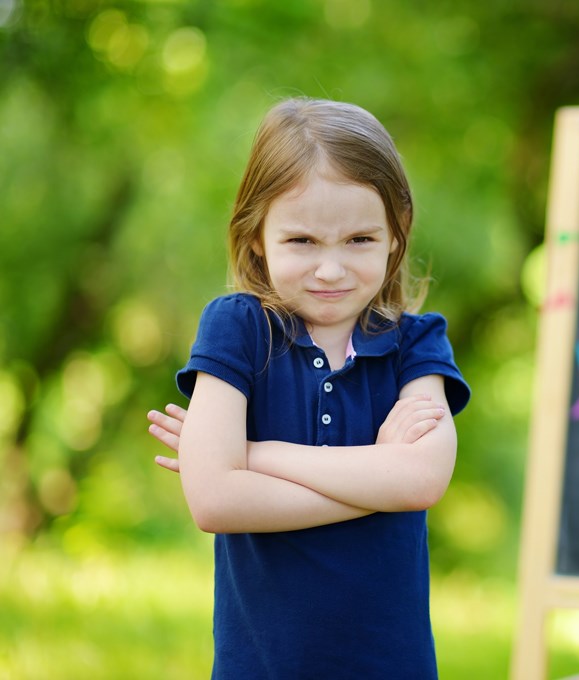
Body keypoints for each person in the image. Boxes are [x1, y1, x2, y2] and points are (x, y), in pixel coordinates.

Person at [145, 97, 470, 679]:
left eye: (359, 241)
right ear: (255, 238)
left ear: (395, 235)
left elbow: (421, 479)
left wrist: (253, 456)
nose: (330, 269)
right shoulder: (237, 329)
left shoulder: (418, 344)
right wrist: (377, 474)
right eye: (301, 242)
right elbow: (215, 500)